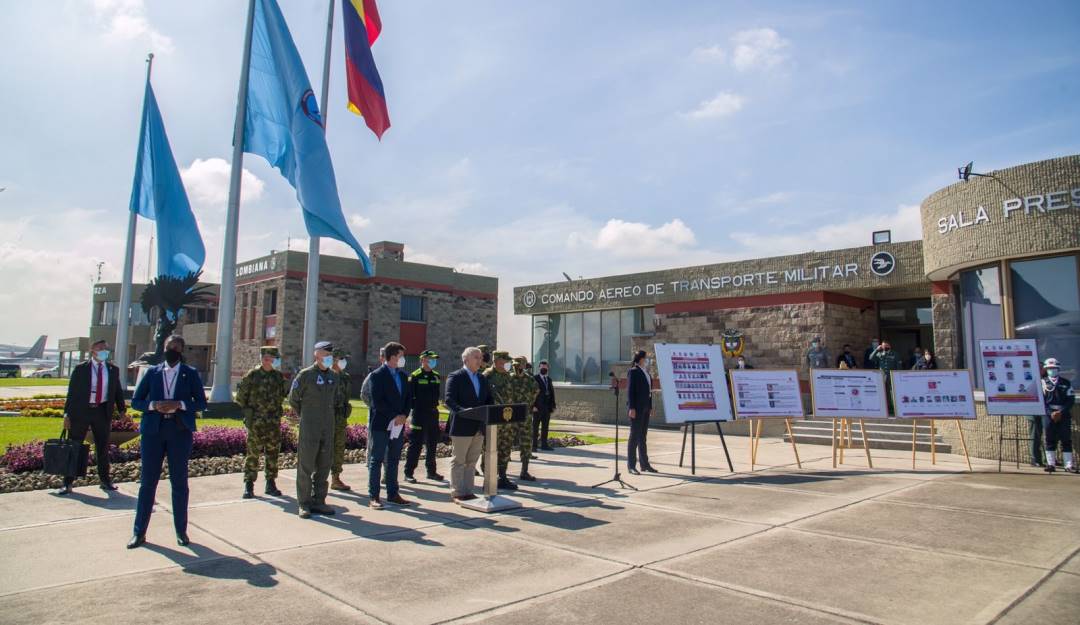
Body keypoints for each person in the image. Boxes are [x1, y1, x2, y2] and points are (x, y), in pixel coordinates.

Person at [128, 334, 207, 549]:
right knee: (147, 483)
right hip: (154, 431)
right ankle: (139, 532)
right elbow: (136, 401)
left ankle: (181, 531)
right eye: (169, 347)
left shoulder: (190, 373)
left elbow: (201, 402)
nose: (172, 350)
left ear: (182, 351)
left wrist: (180, 404)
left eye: (177, 348)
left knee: (179, 483)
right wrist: (154, 405)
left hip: (179, 431)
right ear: (163, 349)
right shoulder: (152, 372)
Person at [55, 339, 126, 495]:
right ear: (92, 351)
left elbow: (117, 391)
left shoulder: (112, 369)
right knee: (75, 446)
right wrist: (66, 414)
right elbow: (72, 393)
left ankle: (105, 480)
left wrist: (122, 410)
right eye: (100, 348)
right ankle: (67, 483)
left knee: (102, 448)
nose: (104, 351)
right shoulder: (81, 369)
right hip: (81, 412)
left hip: (102, 411)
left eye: (105, 348)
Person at [289, 341, 347, 519]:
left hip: (327, 426)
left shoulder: (334, 376)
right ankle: (304, 503)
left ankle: (319, 501)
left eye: (330, 355)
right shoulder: (306, 375)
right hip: (310, 426)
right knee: (306, 466)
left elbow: (337, 400)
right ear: (317, 354)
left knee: (324, 465)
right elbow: (293, 399)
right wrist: (306, 415)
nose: (329, 357)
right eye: (326, 354)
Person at [236, 346, 289, 499]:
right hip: (256, 422)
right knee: (253, 453)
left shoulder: (278, 377)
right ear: (262, 358)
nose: (269, 360)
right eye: (266, 358)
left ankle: (270, 484)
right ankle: (249, 485)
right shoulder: (252, 376)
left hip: (273, 421)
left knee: (272, 453)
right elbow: (240, 397)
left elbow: (285, 394)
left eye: (272, 358)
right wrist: (249, 412)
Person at [366, 342, 413, 508]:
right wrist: (394, 416)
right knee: (377, 459)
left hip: (398, 425)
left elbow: (408, 398)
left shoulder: (403, 376)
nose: (402, 359)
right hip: (382, 424)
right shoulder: (377, 375)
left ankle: (393, 494)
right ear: (392, 357)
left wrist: (404, 415)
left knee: (393, 459)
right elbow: (377, 401)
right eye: (400, 356)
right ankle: (374, 496)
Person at [445, 347, 493, 502]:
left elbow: (489, 399)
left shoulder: (482, 378)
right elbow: (449, 400)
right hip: (462, 425)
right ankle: (458, 492)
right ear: (465, 360)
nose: (480, 360)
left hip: (478, 426)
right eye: (476, 357)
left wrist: (490, 411)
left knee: (472, 462)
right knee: (459, 461)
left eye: (480, 357)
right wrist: (464, 411)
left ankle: (468, 491)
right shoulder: (456, 376)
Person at [404, 350, 443, 483]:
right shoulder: (415, 376)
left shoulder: (436, 376)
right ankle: (408, 473)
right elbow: (410, 397)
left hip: (433, 413)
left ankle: (431, 472)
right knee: (416, 444)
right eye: (430, 359)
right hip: (419, 414)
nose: (433, 361)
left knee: (432, 444)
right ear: (422, 360)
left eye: (434, 359)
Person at [483, 351, 519, 490]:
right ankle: (489, 480)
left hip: (507, 421)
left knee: (505, 449)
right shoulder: (487, 376)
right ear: (497, 361)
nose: (508, 364)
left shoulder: (508, 376)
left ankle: (502, 477)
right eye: (506, 361)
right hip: (493, 422)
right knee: (490, 450)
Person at [1041, 357, 1076, 474]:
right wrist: (1050, 413)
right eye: (1049, 368)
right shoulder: (1042, 383)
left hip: (1063, 414)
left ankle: (1069, 465)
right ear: (1046, 369)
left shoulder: (1066, 383)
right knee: (1049, 439)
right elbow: (1042, 401)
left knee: (1066, 439)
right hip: (1049, 415)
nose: (1052, 370)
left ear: (1058, 369)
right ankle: (1051, 464)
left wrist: (1061, 412)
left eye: (1054, 368)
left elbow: (1070, 400)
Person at [626, 350, 657, 475]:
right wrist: (631, 408)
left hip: (645, 408)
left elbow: (649, 392)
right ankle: (631, 466)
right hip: (637, 408)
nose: (647, 360)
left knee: (642, 437)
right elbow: (630, 391)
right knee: (634, 436)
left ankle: (645, 464)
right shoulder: (633, 371)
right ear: (641, 359)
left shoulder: (646, 372)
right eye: (646, 358)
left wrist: (650, 407)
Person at [510, 356, 539, 481]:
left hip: (525, 414)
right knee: (506, 441)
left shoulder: (529, 379)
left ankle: (524, 470)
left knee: (526, 441)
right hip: (510, 415)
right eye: (515, 365)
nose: (517, 368)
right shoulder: (509, 378)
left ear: (523, 365)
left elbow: (536, 390)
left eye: (519, 365)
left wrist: (530, 403)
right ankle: (502, 472)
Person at [330, 348, 354, 492]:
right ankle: (317, 479)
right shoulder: (326, 375)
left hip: (340, 419)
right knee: (322, 449)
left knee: (339, 448)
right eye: (342, 358)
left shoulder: (345, 377)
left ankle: (336, 478)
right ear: (334, 359)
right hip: (326, 418)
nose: (344, 361)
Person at [869, 340, 902, 414]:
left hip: (891, 376)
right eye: (883, 346)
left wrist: (897, 376)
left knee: (892, 392)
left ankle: (894, 409)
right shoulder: (880, 353)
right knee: (883, 392)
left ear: (889, 346)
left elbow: (899, 366)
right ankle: (885, 409)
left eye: (886, 345)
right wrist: (876, 350)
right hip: (882, 376)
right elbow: (871, 358)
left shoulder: (895, 354)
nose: (884, 347)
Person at [532, 359, 556, 451]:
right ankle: (533, 446)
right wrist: (533, 406)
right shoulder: (534, 378)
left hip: (547, 408)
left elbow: (552, 393)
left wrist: (552, 406)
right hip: (537, 407)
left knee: (545, 427)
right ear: (539, 368)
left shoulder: (549, 379)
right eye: (542, 367)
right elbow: (531, 393)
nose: (544, 369)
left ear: (548, 368)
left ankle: (544, 445)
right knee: (535, 427)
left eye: (545, 367)